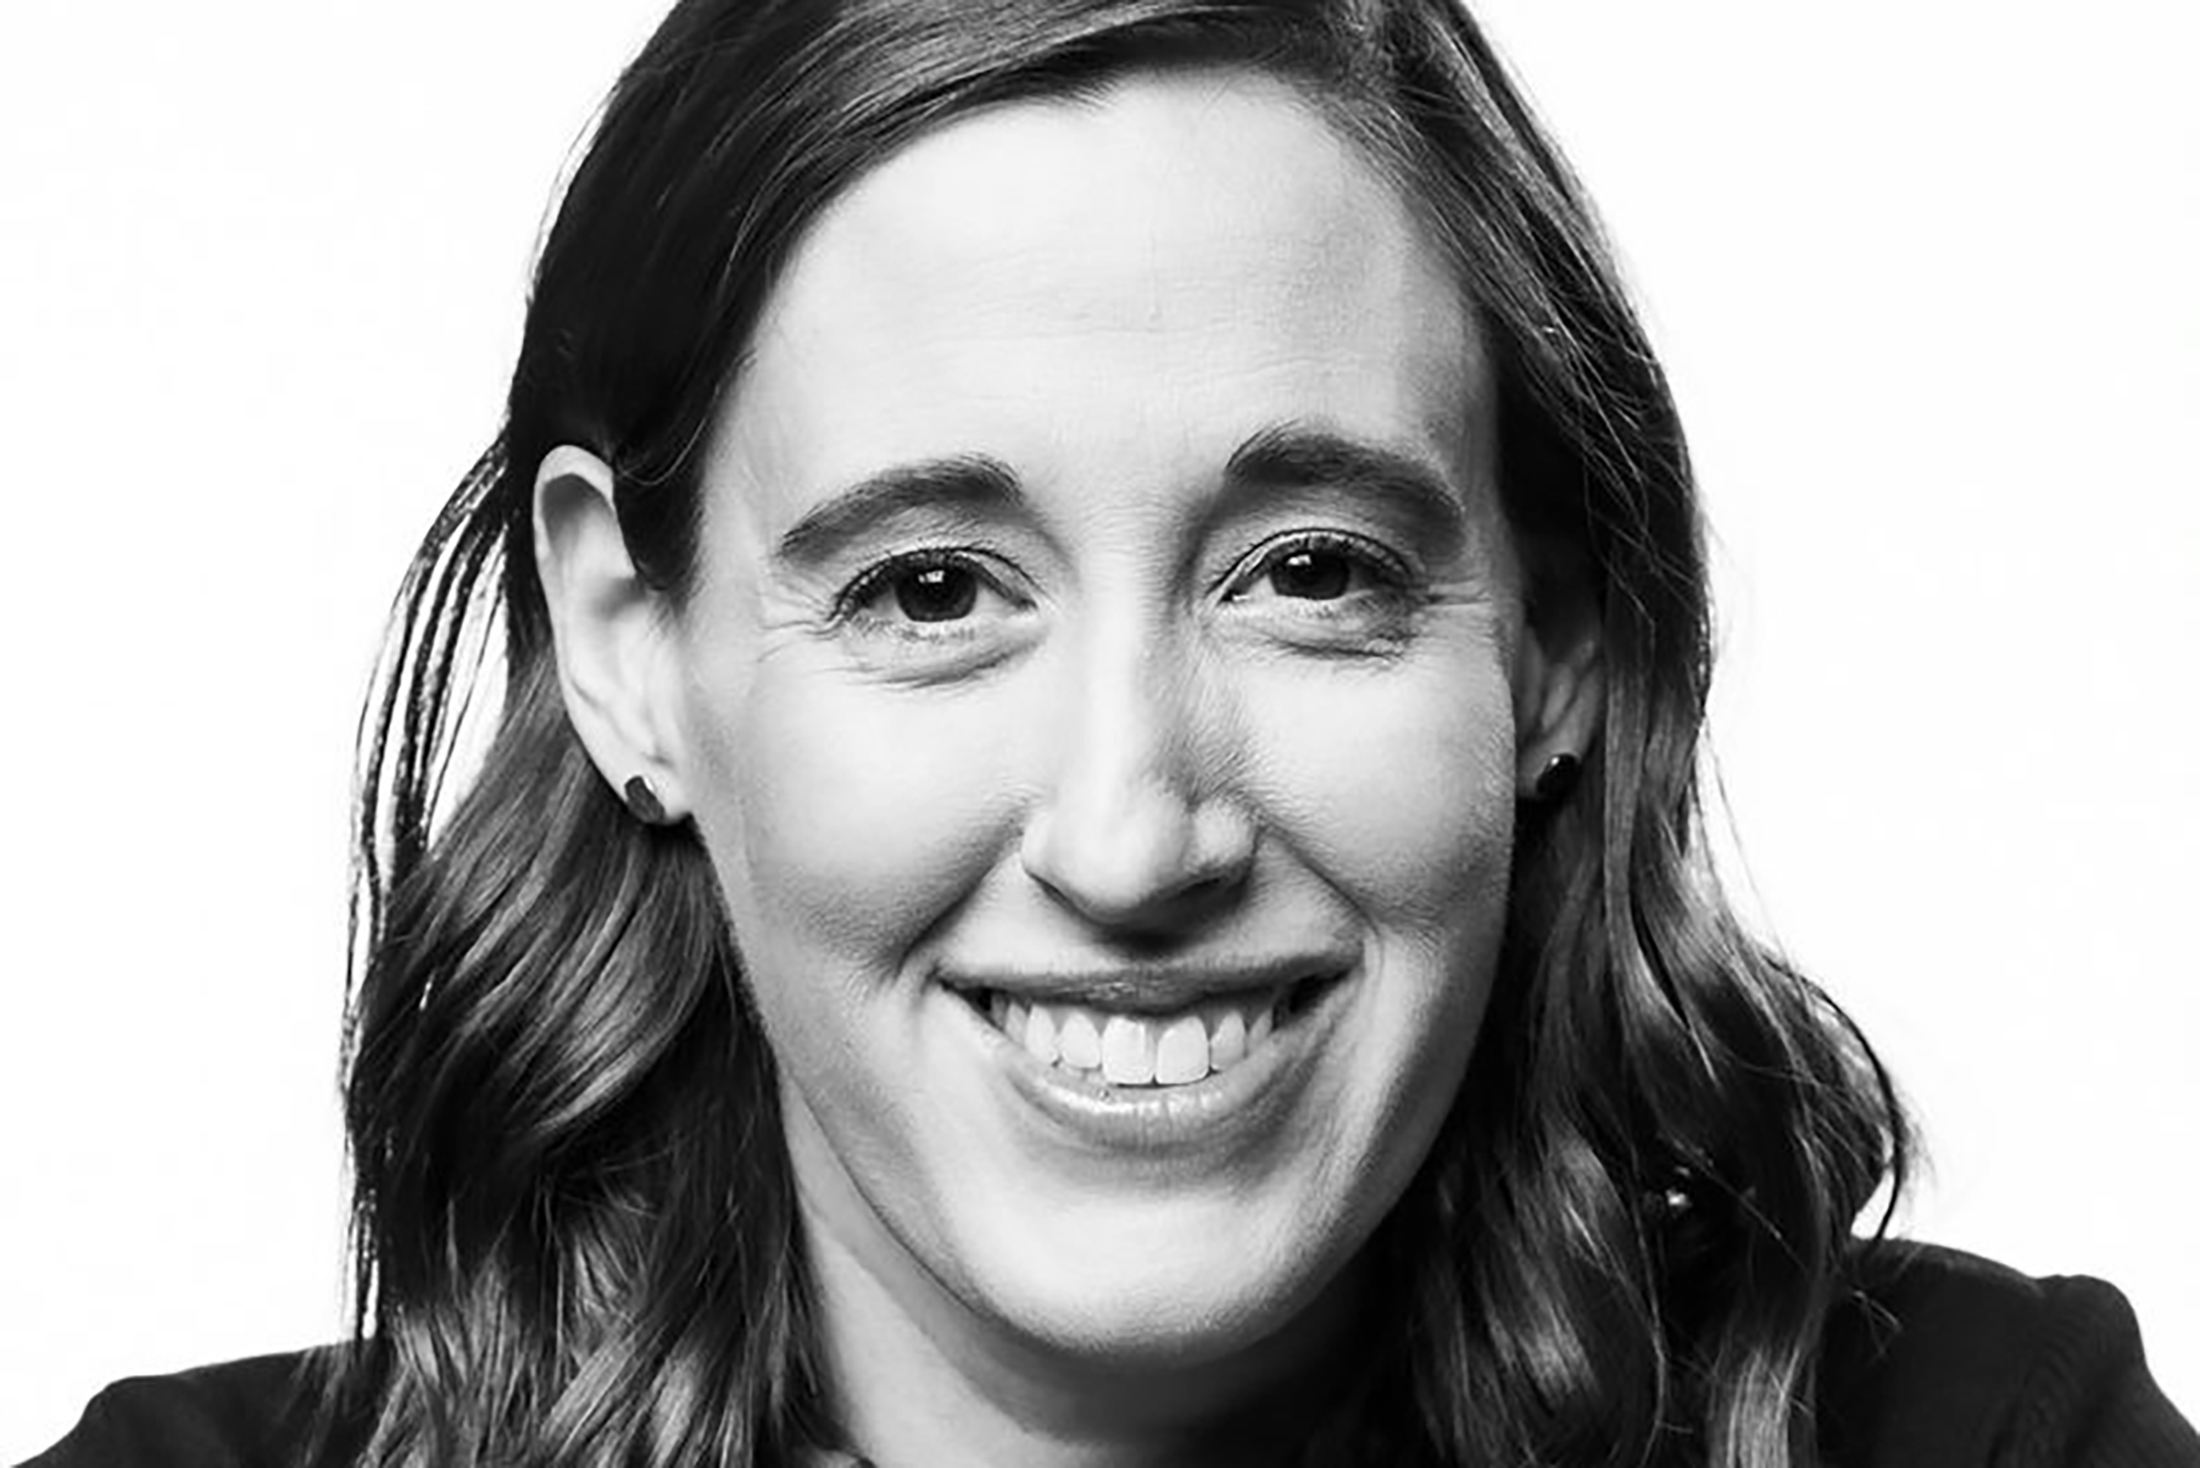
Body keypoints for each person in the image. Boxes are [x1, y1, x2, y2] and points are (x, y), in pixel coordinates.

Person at [28, 1, 2197, 1465]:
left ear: (1548, 634)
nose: (1132, 834)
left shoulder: (1986, 1434)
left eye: (1311, 570)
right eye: (929, 591)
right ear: (627, 649)